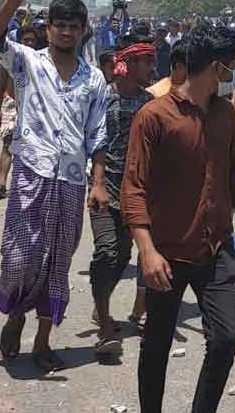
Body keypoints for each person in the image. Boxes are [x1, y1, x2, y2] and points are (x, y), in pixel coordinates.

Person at [121, 24, 235, 413]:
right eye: (231, 67)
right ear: (215, 68)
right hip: (167, 253)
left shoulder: (225, 116)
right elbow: (134, 189)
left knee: (225, 338)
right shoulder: (154, 117)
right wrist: (146, 252)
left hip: (215, 250)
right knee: (157, 344)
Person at [0, 0, 110, 373]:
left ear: (83, 30)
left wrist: (99, 182)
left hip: (71, 181)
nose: (68, 32)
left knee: (58, 261)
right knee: (21, 258)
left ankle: (42, 342)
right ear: (49, 27)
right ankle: (16, 317)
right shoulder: (27, 62)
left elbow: (98, 135)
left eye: (75, 26)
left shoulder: (95, 79)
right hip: (31, 174)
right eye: (62, 25)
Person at [87, 34, 156, 356]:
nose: (152, 68)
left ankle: (108, 305)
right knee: (106, 253)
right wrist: (97, 183)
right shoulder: (103, 98)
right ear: (128, 65)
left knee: (127, 256)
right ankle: (104, 321)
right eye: (147, 62)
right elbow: (95, 141)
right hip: (105, 188)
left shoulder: (150, 103)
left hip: (138, 192)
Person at [0, 30, 40, 201]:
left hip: (32, 109)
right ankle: (2, 184)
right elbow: (1, 85)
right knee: (7, 144)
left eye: (32, 40)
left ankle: (24, 183)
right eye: (26, 40)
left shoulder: (40, 62)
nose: (29, 43)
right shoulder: (8, 60)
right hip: (11, 105)